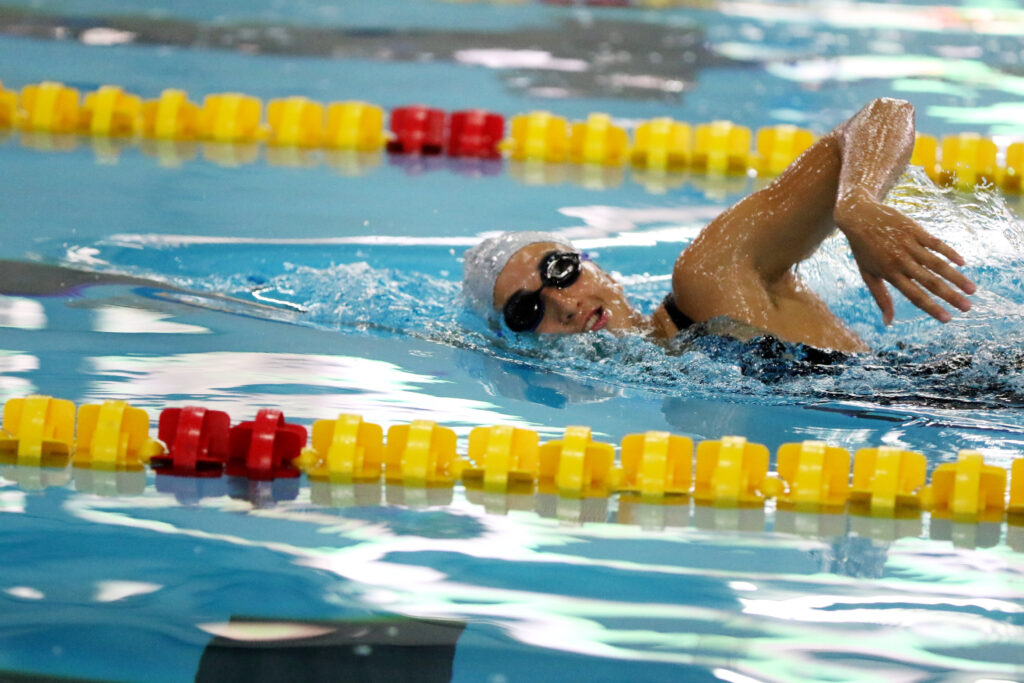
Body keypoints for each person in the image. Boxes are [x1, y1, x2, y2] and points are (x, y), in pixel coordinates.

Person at [462, 98, 977, 354]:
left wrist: (857, 204)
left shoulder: (708, 276)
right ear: (518, 344)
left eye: (561, 270)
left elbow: (883, 113)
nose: (567, 305)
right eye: (527, 312)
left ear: (598, 268)